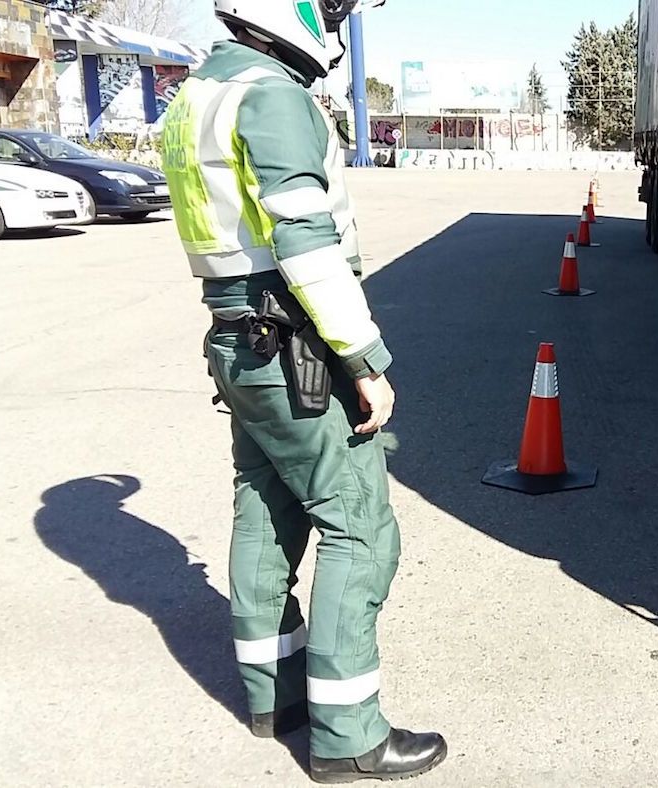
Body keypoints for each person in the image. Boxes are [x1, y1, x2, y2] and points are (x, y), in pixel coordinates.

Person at [160, 1, 446, 782]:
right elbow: (304, 242)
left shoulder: (195, 98)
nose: (332, 18)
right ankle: (350, 737)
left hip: (234, 335)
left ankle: (272, 697)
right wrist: (364, 359)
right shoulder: (273, 97)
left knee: (263, 507)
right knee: (360, 528)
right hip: (295, 344)